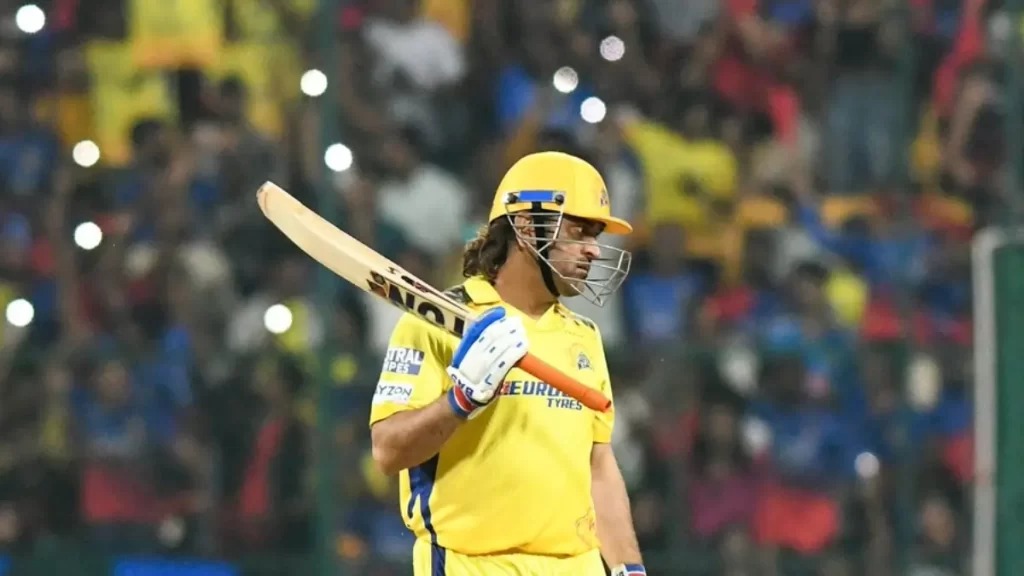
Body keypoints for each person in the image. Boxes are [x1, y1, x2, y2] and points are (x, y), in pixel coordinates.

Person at [369, 151, 647, 575]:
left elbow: (599, 464)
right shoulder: (434, 322)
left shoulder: (583, 336)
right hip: (472, 565)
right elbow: (388, 452)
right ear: (526, 226)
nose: (593, 250)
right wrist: (459, 400)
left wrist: (629, 568)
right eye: (578, 231)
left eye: (595, 235)